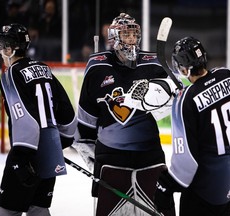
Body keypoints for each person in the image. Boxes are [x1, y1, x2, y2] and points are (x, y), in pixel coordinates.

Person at [72, 13, 178, 216]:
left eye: (133, 35)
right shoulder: (97, 67)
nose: (131, 40)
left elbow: (175, 98)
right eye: (126, 34)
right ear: (113, 37)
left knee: (161, 209)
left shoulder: (154, 64)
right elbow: (87, 115)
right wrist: (86, 147)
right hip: (111, 157)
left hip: (149, 154)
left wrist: (162, 95)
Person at [130, 36, 230, 215]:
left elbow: (186, 163)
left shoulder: (186, 99)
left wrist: (166, 185)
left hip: (205, 192)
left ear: (185, 68)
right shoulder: (227, 76)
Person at [0, 23, 77, 216]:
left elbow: (24, 117)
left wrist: (20, 159)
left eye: (2, 46)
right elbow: (68, 114)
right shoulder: (44, 69)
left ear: (10, 48)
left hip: (26, 151)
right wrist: (58, 144)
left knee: (7, 211)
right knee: (38, 208)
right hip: (49, 149)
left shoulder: (10, 75)